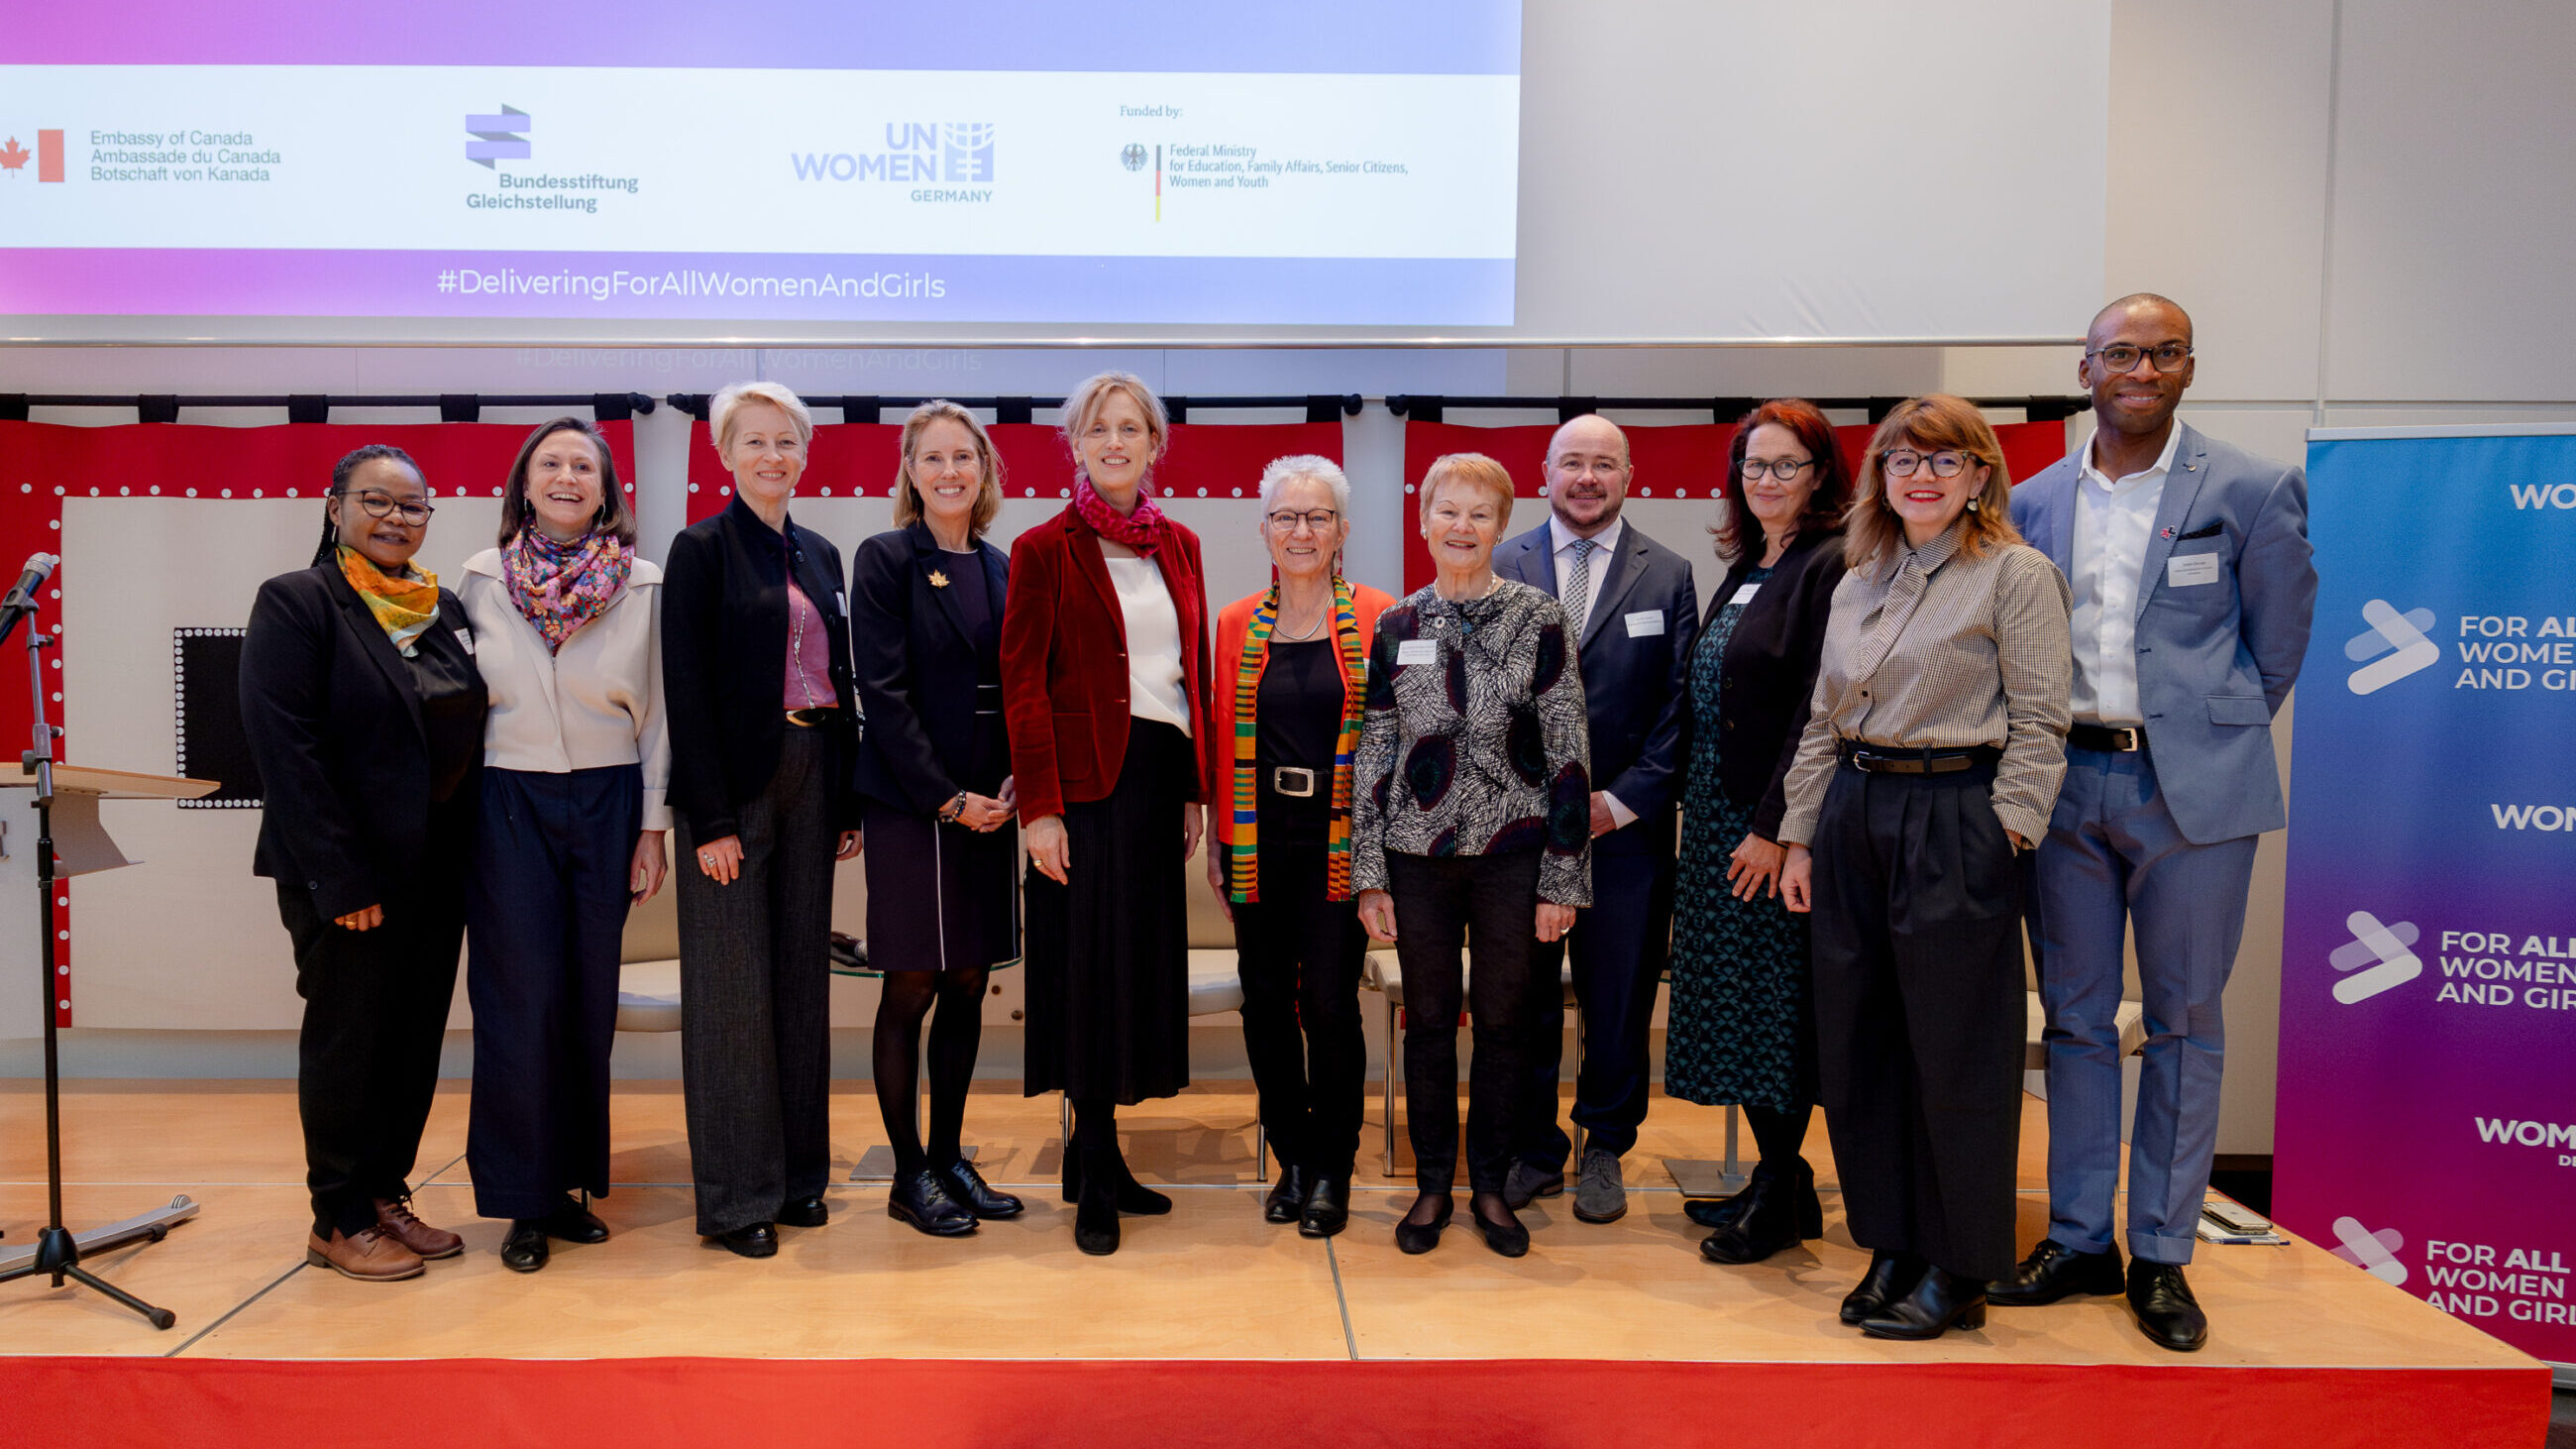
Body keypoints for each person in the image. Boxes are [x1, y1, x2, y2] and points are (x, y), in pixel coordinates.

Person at [1991, 295, 2316, 1352]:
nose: (2140, 367)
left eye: (2162, 351)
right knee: (2077, 1021)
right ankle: (2082, 1237)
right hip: (2062, 787)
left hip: (2192, 793)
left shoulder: (2249, 488)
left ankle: (2163, 1254)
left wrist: (2202, 737)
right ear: (2084, 366)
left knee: (2182, 1020)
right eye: (2120, 352)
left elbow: (2276, 645)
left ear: (2187, 366)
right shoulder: (2033, 498)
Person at [1775, 394, 2072, 1340]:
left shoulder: (2015, 576)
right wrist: (1797, 835)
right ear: (1880, 478)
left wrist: (2005, 836)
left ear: (1981, 475)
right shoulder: (1861, 575)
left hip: (1955, 814)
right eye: (1904, 462)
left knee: (1956, 1054)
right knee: (1862, 1051)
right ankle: (1894, 1242)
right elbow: (1824, 720)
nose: (1924, 478)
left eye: (1945, 463)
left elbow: (2042, 725)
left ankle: (1961, 1264)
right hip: (1855, 813)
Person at [241, 444, 487, 1282]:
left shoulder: (443, 608)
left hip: (436, 870)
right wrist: (339, 880)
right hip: (349, 876)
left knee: (412, 1041)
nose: (395, 518)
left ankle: (385, 1195)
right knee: (351, 1042)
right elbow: (289, 753)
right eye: (376, 501)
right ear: (335, 506)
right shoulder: (299, 602)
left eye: (412, 507)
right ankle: (337, 1216)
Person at [1353, 452, 1592, 1261]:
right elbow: (1376, 747)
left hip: (1513, 858)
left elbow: (1568, 750)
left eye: (1479, 514)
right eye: (1447, 512)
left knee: (1504, 1026)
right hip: (1415, 856)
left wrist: (1563, 876)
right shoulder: (1397, 625)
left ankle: (1489, 1183)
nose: (1462, 527)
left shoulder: (1540, 618)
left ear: (1501, 525)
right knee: (1426, 1025)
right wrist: (1369, 872)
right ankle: (1431, 1184)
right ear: (1423, 523)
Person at [1000, 370, 1214, 1258]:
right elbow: (1024, 687)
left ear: (1155, 445)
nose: (1116, 442)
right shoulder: (1044, 548)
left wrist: (1196, 788)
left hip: (1159, 780)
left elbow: (1188, 669)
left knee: (1133, 972)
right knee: (1084, 972)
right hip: (1081, 792)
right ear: (1076, 446)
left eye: (1132, 428)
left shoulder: (1182, 544)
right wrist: (1039, 811)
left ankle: (1111, 1155)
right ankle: (1089, 1172)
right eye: (1099, 430)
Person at [455, 417, 668, 1274]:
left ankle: (574, 1184)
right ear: (525, 481)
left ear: (607, 486)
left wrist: (652, 825)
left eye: (585, 464)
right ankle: (522, 1200)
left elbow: (661, 713)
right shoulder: (475, 579)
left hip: (611, 794)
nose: (569, 476)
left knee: (585, 999)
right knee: (517, 1001)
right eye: (553, 463)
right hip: (507, 796)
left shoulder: (645, 582)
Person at [662, 382, 864, 1260]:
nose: (773, 456)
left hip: (816, 772)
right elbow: (687, 691)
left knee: (798, 986)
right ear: (725, 454)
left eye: (787, 442)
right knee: (731, 994)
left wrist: (850, 795)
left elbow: (843, 680)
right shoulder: (700, 549)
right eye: (754, 442)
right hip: (733, 790)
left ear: (804, 453)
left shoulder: (821, 553)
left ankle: (797, 1180)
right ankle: (738, 1198)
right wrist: (708, 820)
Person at [1494, 413, 1698, 1224]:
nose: (1587, 478)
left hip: (1626, 836)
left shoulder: (1670, 574)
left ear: (1628, 475)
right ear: (1544, 471)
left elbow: (1683, 707)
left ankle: (1605, 1146)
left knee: (1618, 1000)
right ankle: (1535, 1148)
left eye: (1603, 465)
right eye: (1572, 462)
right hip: (1522, 834)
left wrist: (1618, 803)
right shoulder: (1501, 561)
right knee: (1527, 997)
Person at [1664, 399, 1851, 1264]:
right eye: (1752, 465)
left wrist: (1776, 827)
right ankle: (1783, 1181)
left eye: (1785, 465)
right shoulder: (1751, 561)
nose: (1765, 480)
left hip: (1768, 824)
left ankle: (1781, 1191)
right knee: (1737, 1003)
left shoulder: (1832, 562)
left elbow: (1820, 704)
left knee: (1772, 1005)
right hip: (1714, 814)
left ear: (1820, 474)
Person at [1205, 455, 1396, 1240]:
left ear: (1343, 531)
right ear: (1264, 531)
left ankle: (1334, 1167)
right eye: (1286, 517)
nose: (1302, 530)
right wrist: (1220, 836)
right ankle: (1292, 1157)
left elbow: (1394, 740)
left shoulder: (1384, 615)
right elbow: (1219, 736)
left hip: (1340, 840)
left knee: (1325, 1001)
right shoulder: (1234, 622)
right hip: (1257, 837)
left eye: (1318, 517)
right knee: (1266, 1003)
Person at [849, 400, 1025, 1238]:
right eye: (933, 459)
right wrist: (948, 798)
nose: (950, 472)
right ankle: (907, 1172)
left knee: (967, 982)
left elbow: (1021, 687)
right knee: (912, 985)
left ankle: (951, 1155)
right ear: (910, 472)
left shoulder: (1001, 566)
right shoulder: (885, 558)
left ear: (985, 470)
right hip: (917, 805)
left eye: (965, 457)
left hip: (994, 805)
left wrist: (1017, 782)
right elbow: (881, 696)